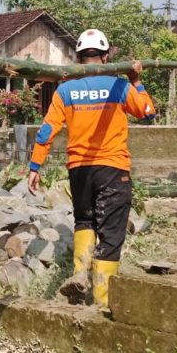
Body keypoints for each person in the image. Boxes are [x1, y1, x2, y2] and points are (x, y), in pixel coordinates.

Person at [26, 29, 155, 306]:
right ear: (106, 57)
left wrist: (35, 165)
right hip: (112, 168)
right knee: (111, 232)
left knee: (84, 221)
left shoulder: (65, 90)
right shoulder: (120, 86)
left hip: (79, 170)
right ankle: (101, 300)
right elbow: (147, 112)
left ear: (78, 57)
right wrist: (137, 80)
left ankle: (80, 272)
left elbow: (46, 131)